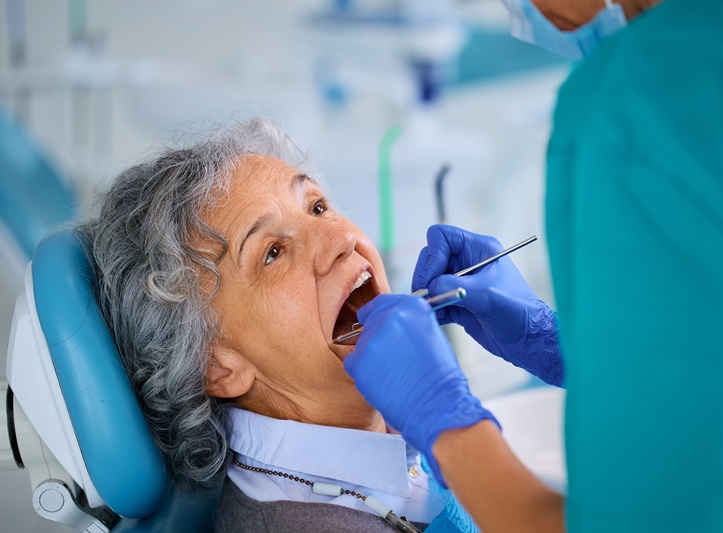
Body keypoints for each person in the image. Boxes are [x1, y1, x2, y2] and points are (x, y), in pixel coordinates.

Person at [343, 0, 723, 532]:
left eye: (319, 206)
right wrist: (558, 344)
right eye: (272, 252)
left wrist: (444, 420)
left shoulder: (643, 106)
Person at [78, 118, 478, 532]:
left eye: (317, 207)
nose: (339, 240)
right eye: (272, 253)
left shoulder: (396, 429)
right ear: (218, 367)